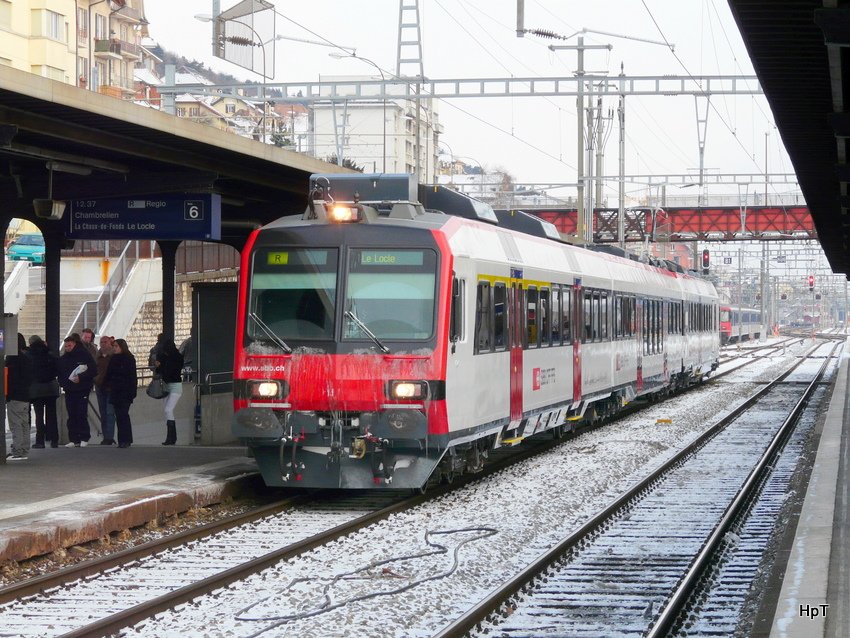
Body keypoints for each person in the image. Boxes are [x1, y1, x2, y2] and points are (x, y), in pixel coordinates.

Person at [57, 334, 96, 447]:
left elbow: (93, 370)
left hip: (82, 388)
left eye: (69, 346)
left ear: (74, 344)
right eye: (66, 346)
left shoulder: (84, 355)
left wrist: (81, 378)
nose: (67, 348)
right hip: (69, 389)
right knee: (71, 414)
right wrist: (63, 383)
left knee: (81, 413)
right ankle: (73, 439)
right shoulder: (64, 358)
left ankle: (84, 437)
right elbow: (61, 373)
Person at [103, 339, 137, 448]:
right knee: (119, 415)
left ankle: (126, 439)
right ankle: (122, 440)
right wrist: (106, 385)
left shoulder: (129, 359)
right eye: (114, 346)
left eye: (116, 346)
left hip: (125, 391)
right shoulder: (113, 359)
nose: (114, 348)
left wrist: (132, 392)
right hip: (115, 391)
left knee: (123, 415)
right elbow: (108, 374)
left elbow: (132, 376)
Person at [28, 335, 60, 448]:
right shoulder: (49, 354)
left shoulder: (30, 355)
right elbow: (57, 369)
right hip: (51, 387)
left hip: (37, 389)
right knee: (52, 414)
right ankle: (54, 439)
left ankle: (40, 441)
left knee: (39, 416)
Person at [5, 334, 33, 460]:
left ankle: (17, 451)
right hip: (25, 396)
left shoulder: (12, 359)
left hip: (14, 396)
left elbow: (9, 379)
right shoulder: (26, 358)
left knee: (15, 424)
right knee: (24, 424)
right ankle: (24, 449)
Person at [154, 337, 184, 445]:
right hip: (170, 384)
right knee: (167, 411)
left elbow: (166, 371)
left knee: (168, 410)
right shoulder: (175, 356)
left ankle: (171, 437)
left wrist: (160, 366)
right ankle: (171, 437)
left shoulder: (173, 357)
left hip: (173, 385)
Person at [94, 335, 116, 445]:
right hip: (100, 386)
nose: (103, 344)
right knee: (103, 412)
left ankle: (109, 436)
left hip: (111, 387)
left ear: (109, 343)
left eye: (105, 342)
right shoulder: (97, 356)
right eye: (101, 342)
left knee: (109, 413)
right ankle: (106, 435)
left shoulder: (114, 356)